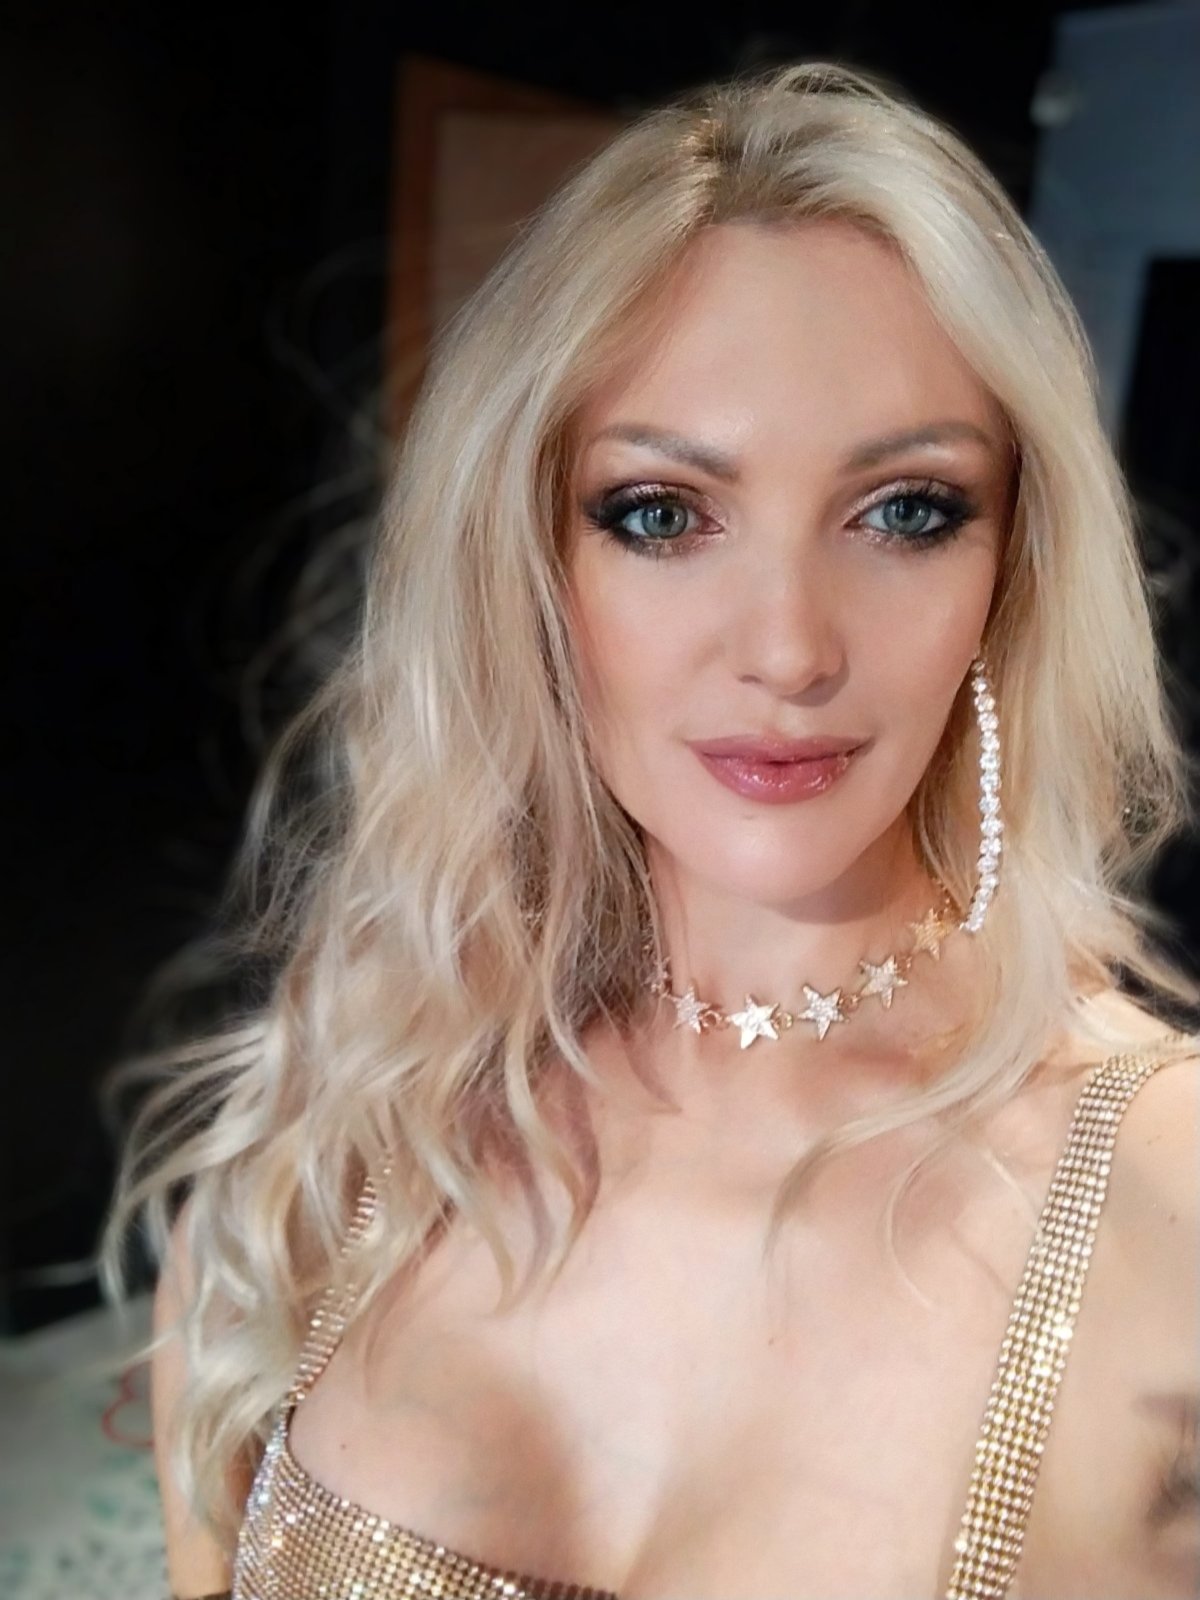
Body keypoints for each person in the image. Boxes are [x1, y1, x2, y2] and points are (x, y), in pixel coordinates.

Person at [106, 60, 1200, 1600]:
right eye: (661, 514)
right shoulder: (342, 1125)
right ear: (529, 567)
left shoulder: (1169, 1204)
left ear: (1012, 569)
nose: (789, 648)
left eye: (905, 511)